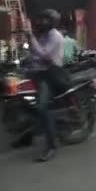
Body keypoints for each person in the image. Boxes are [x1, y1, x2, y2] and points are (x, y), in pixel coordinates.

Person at [26, 9, 66, 162]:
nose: (41, 22)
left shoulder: (55, 36)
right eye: (41, 19)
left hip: (50, 75)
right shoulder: (43, 35)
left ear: (52, 22)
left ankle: (52, 146)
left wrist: (30, 36)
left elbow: (44, 54)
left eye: (45, 20)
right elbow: (35, 54)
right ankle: (26, 136)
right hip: (39, 72)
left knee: (43, 108)